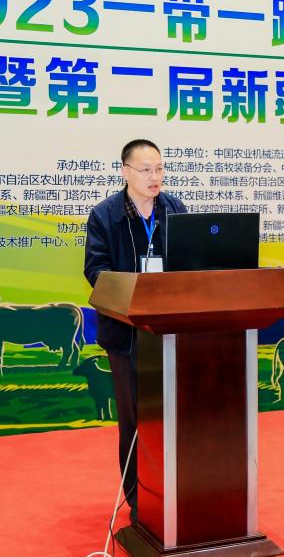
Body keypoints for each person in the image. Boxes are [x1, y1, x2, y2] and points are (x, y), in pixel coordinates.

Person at [83, 139, 187, 519]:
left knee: (173, 418)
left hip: (171, 333)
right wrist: (134, 293)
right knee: (134, 421)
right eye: (146, 170)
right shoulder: (105, 216)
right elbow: (95, 270)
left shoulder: (174, 209)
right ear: (125, 171)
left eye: (159, 169)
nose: (154, 177)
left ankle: (174, 492)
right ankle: (138, 500)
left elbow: (189, 261)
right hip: (126, 335)